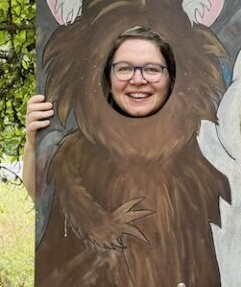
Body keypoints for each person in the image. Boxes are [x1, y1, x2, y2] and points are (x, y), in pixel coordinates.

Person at [22, 26, 175, 200]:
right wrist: (33, 145)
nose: (138, 80)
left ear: (170, 80)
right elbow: (43, 199)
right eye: (124, 69)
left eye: (152, 69)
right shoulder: (76, 149)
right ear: (108, 81)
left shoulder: (199, 152)